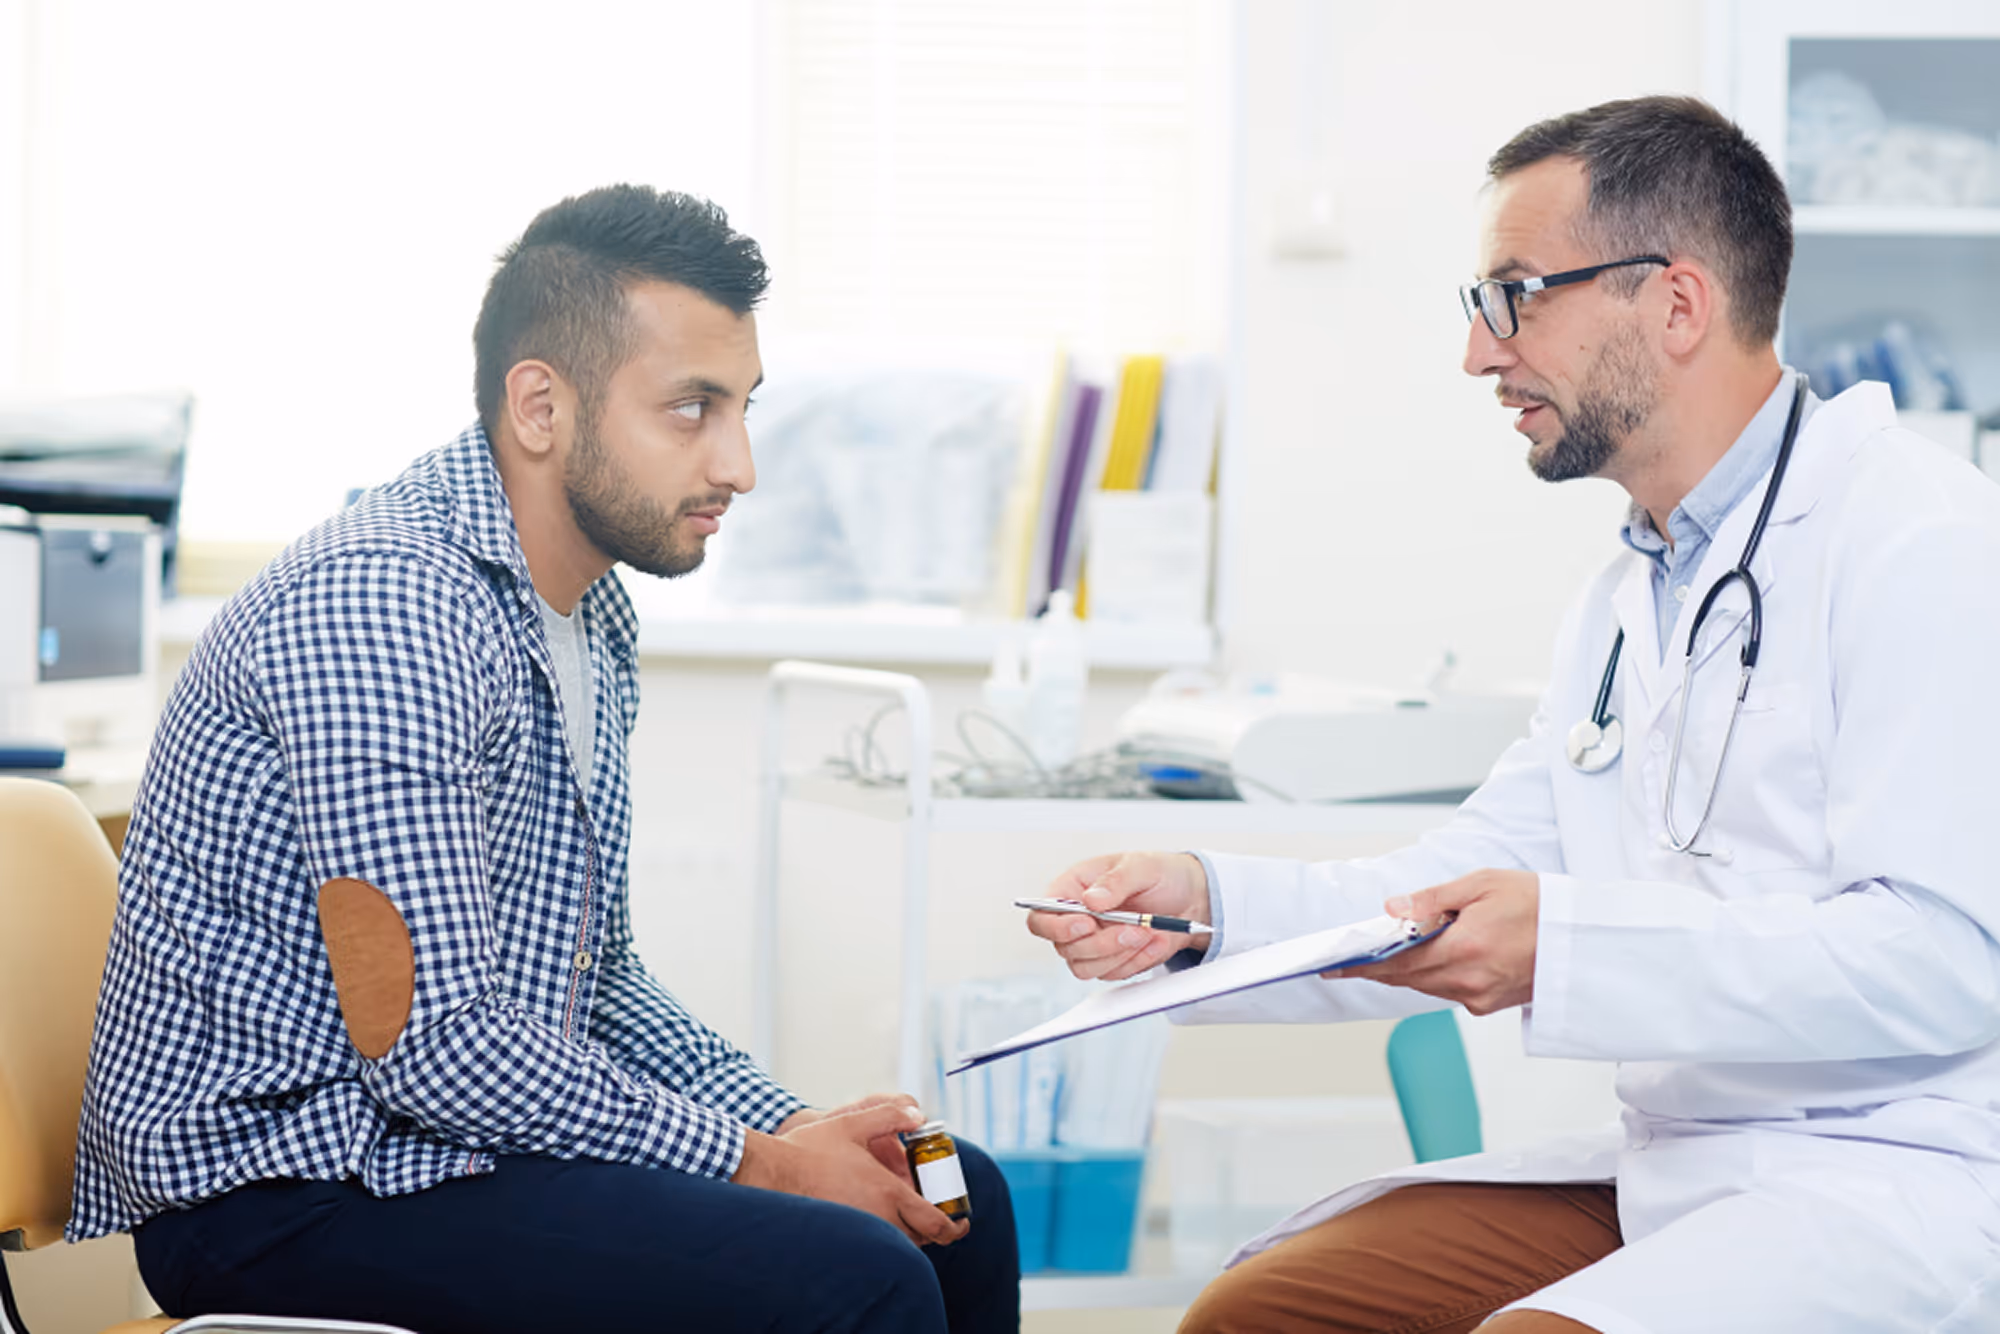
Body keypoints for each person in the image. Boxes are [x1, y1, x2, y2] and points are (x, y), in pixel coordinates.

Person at [1029, 96, 2000, 1333]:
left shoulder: (1923, 543)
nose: (1480, 353)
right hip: (1674, 1166)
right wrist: (1203, 907)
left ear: (1677, 303)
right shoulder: (1626, 592)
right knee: (1259, 1313)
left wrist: (1566, 944)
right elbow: (1458, 882)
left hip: (1895, 1177)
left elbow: (1940, 962)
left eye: (1515, 295)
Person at [70, 184, 1019, 1334]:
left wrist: (798, 1128)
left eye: (744, 409)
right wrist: (764, 1164)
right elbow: (435, 1047)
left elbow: (600, 979)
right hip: (284, 1190)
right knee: (855, 1276)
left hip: (437, 1145)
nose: (739, 464)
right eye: (690, 409)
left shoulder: (589, 615)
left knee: (953, 1188)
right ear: (539, 406)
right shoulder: (384, 609)